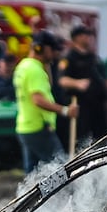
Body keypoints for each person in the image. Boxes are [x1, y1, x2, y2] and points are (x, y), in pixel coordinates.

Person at [14, 31, 78, 173]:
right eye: (52, 49)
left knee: (33, 174)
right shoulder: (34, 70)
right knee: (60, 170)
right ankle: (65, 195)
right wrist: (65, 110)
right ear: (40, 48)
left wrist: (46, 62)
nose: (55, 53)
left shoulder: (24, 66)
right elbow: (38, 100)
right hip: (39, 128)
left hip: (26, 128)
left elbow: (48, 84)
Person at [57, 24, 107, 145]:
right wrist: (77, 83)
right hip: (81, 107)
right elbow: (62, 80)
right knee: (83, 141)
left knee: (101, 138)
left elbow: (105, 80)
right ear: (76, 38)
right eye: (85, 35)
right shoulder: (69, 58)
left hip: (98, 106)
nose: (89, 38)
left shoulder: (94, 57)